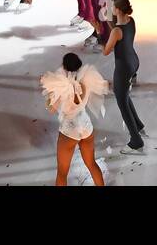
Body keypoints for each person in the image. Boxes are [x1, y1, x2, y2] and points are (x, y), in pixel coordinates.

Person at [40, 52, 108, 186]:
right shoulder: (86, 79)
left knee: (62, 173)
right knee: (91, 164)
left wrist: (49, 100)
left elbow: (51, 108)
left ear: (64, 67)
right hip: (86, 127)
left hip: (70, 131)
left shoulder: (62, 86)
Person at [102, 0, 145, 155]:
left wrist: (101, 34)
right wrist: (107, 22)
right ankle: (139, 126)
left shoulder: (115, 32)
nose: (112, 9)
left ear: (118, 10)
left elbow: (106, 51)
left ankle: (136, 141)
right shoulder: (130, 21)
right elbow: (119, 32)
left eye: (113, 7)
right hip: (134, 61)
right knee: (124, 95)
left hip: (123, 68)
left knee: (121, 101)